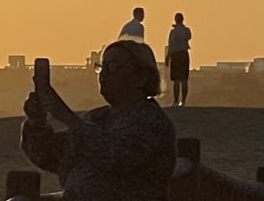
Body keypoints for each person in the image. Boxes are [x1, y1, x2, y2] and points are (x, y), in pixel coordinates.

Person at [21, 40, 176, 200]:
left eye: (112, 67)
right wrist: (36, 122)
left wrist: (68, 118)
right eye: (101, 67)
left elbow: (118, 156)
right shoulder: (96, 117)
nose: (103, 75)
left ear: (141, 77)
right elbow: (49, 157)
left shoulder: (151, 120)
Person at [167, 12, 192, 108]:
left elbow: (171, 45)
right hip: (184, 54)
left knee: (176, 80)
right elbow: (188, 37)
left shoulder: (174, 32)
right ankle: (183, 101)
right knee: (184, 79)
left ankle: (176, 101)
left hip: (176, 55)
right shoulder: (186, 31)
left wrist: (168, 56)